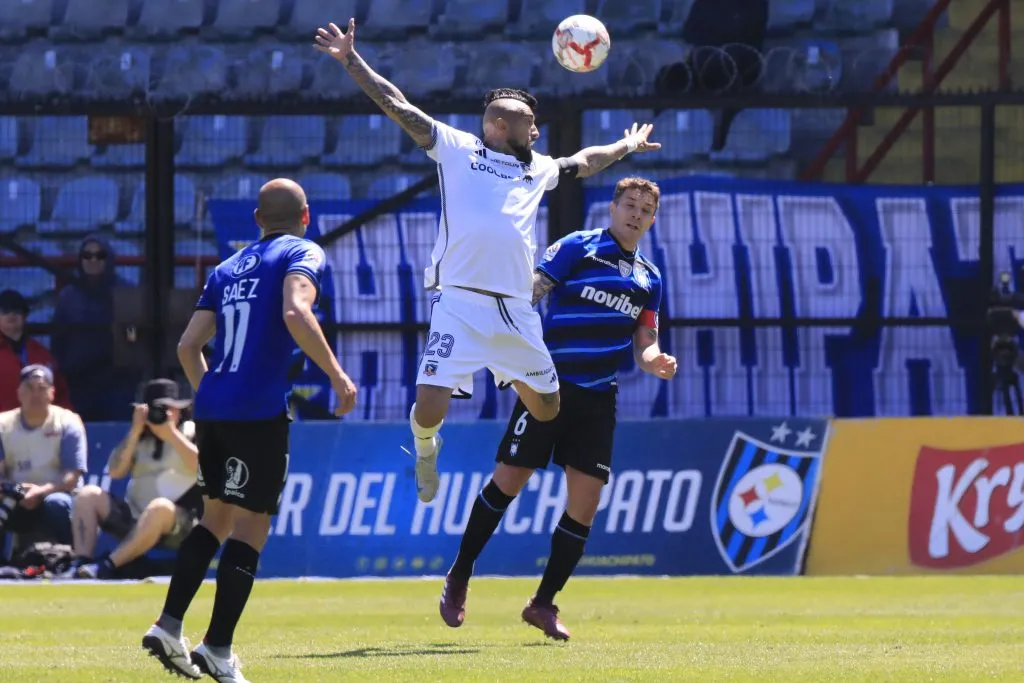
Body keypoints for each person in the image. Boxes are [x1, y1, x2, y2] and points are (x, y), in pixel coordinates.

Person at [315, 19, 661, 503]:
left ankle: (508, 367)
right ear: (498, 126)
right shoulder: (457, 148)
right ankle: (425, 447)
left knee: (548, 408)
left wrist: (626, 145)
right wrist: (351, 59)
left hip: (516, 308)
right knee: (429, 405)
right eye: (527, 121)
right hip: (459, 301)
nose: (536, 129)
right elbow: (398, 105)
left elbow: (586, 161)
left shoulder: (537, 167)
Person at [439, 177, 677, 641]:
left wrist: (655, 361)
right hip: (548, 385)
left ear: (653, 219)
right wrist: (510, 349)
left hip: (598, 397)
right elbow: (529, 294)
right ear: (613, 207)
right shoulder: (577, 248)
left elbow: (645, 341)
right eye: (629, 204)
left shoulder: (649, 277)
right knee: (508, 482)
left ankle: (543, 603)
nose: (636, 214)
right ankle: (461, 573)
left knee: (585, 505)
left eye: (645, 210)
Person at [141, 178, 358, 682]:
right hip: (258, 412)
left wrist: (216, 394)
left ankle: (168, 625)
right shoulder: (302, 252)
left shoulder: (226, 268)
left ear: (258, 220)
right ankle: (217, 647)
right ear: (306, 217)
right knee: (251, 528)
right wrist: (336, 375)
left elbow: (187, 346)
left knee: (213, 520)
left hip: (213, 408)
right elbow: (295, 311)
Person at [69, 378, 202, 580]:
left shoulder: (192, 432)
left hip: (178, 524)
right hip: (135, 518)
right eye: (155, 409)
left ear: (178, 410)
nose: (161, 414)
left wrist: (171, 434)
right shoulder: (139, 436)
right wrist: (135, 431)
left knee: (159, 507)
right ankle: (82, 562)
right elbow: (115, 472)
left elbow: (203, 469)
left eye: (167, 408)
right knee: (87, 495)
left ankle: (108, 564)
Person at [0, 364, 87, 552]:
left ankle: (70, 559)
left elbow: (71, 478)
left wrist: (40, 492)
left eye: (42, 388)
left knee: (56, 503)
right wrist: (16, 491)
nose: (35, 394)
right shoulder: (2, 425)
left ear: (52, 393)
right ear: (19, 392)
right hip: (16, 496)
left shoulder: (67, 422)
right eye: (29, 388)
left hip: (58, 494)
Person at [0, 289, 71, 412]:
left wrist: (66, 420)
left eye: (17, 310)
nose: (11, 314)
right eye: (5, 311)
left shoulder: (42, 354)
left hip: (40, 422)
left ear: (25, 316)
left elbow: (60, 394)